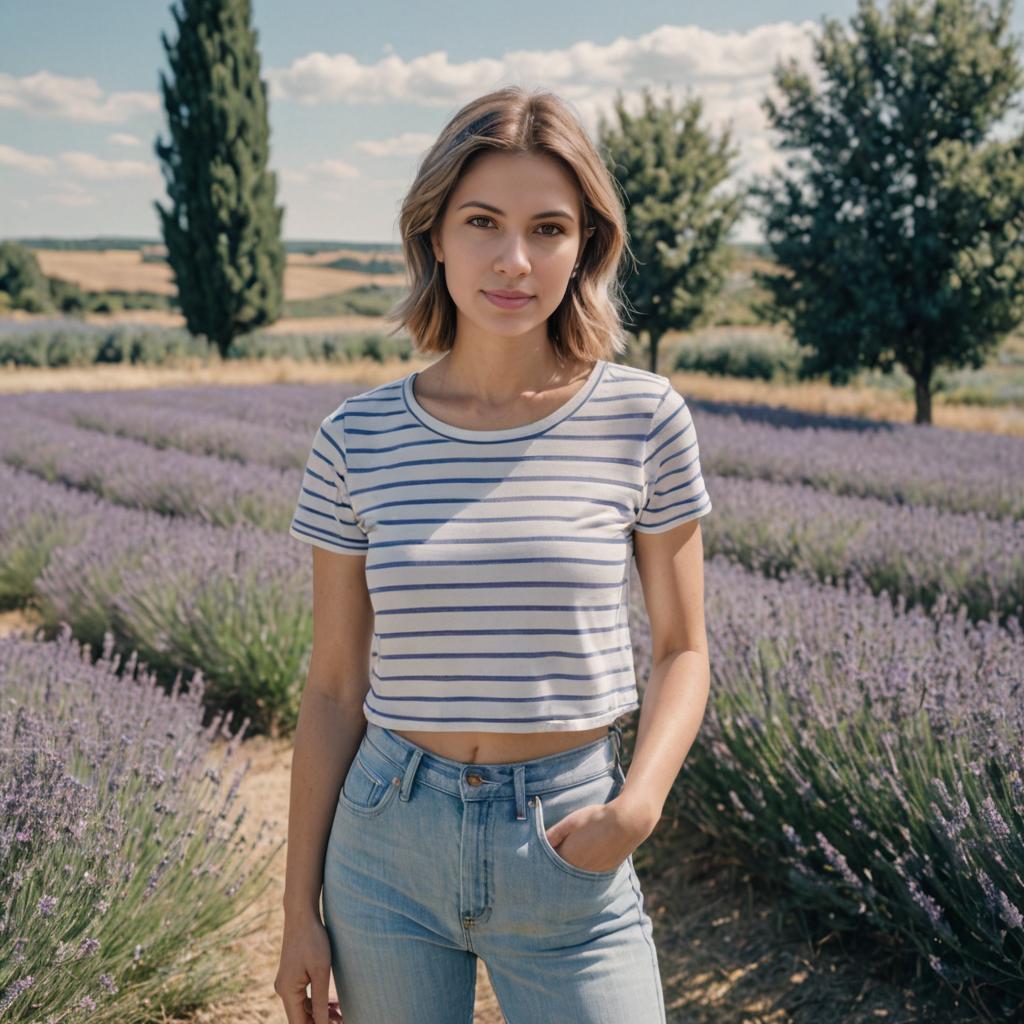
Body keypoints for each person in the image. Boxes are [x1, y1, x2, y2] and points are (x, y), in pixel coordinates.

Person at [275, 85, 713, 1024]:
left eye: (549, 229)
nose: (515, 260)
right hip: (386, 841)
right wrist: (295, 913)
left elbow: (683, 649)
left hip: (567, 841)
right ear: (433, 235)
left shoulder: (643, 419)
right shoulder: (356, 439)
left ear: (584, 248)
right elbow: (333, 687)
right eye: (482, 222)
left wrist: (636, 810)